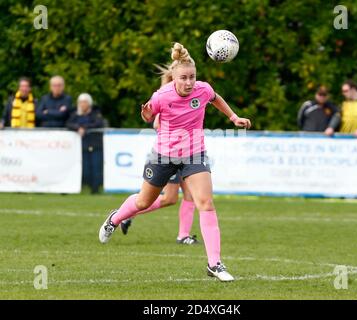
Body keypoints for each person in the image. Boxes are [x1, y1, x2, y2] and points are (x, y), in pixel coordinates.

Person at [99, 42, 251, 282]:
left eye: (192, 77)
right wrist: (147, 113)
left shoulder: (202, 89)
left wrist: (233, 117)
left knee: (206, 203)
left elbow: (215, 97)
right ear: (174, 77)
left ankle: (215, 264)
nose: (189, 82)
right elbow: (149, 116)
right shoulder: (162, 95)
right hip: (163, 156)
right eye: (183, 78)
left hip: (194, 154)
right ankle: (115, 219)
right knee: (143, 201)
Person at [120, 113, 199, 245]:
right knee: (170, 198)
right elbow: (157, 124)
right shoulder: (168, 97)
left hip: (187, 153)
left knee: (190, 194)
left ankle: (183, 236)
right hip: (169, 155)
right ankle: (128, 213)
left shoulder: (192, 100)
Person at [67, 93, 104, 193]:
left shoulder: (95, 113)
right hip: (82, 146)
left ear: (89, 103)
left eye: (85, 102)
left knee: (96, 168)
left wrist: (84, 128)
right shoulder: (75, 114)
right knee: (85, 169)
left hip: (95, 145)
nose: (82, 105)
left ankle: (95, 189)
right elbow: (69, 124)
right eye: (81, 102)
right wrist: (78, 128)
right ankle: (85, 186)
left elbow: (98, 123)